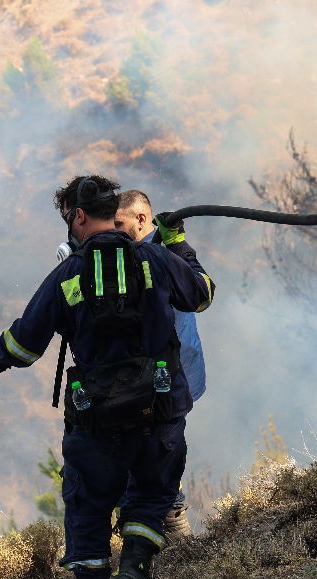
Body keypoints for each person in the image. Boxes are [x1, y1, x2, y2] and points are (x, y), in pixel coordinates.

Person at [0, 175, 214, 579]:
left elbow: (26, 343)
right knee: (152, 490)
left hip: (96, 416)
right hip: (159, 407)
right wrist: (176, 244)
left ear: (79, 217)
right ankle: (135, 572)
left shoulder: (67, 274)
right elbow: (202, 294)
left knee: (89, 505)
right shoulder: (154, 259)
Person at [115, 190, 207, 540]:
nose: (115, 232)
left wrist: (179, 246)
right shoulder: (138, 254)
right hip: (150, 381)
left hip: (167, 378)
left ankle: (171, 536)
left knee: (157, 456)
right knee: (149, 455)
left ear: (141, 219)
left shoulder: (158, 257)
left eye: (120, 224)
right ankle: (158, 535)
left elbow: (203, 294)